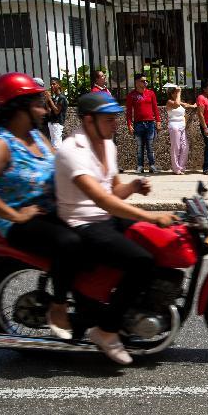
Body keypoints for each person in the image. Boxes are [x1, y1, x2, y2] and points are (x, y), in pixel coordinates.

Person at [56, 91, 178, 364]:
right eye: (109, 119)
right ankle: (106, 330)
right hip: (82, 224)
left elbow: (113, 191)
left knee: (158, 241)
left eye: (115, 119)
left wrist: (133, 187)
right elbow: (102, 200)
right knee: (141, 261)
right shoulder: (71, 150)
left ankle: (136, 306)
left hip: (105, 217)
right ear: (89, 120)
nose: (116, 124)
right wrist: (151, 217)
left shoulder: (107, 144)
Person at [0, 72, 81, 345]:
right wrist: (15, 215)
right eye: (38, 103)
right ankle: (58, 307)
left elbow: (63, 168)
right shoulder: (2, 144)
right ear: (19, 108)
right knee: (70, 241)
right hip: (22, 221)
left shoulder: (37, 138)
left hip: (48, 212)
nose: (44, 109)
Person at [125, 73, 162, 174]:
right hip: (138, 124)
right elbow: (128, 112)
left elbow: (155, 108)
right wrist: (129, 124)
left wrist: (158, 121)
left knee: (150, 146)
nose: (145, 82)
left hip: (150, 123)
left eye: (146, 81)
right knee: (139, 146)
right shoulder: (131, 95)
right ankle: (140, 166)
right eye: (142, 81)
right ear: (136, 82)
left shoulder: (151, 93)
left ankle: (152, 165)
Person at [165, 86, 196, 175]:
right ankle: (176, 168)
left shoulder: (179, 101)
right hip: (174, 126)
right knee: (176, 147)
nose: (177, 94)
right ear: (171, 94)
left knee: (185, 146)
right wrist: (178, 93)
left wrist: (193, 106)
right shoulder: (169, 102)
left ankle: (181, 167)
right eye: (175, 92)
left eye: (177, 92)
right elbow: (177, 104)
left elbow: (185, 105)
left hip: (182, 126)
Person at [46, 77, 67, 149]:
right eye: (51, 84)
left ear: (58, 85)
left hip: (57, 124)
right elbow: (49, 111)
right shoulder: (54, 97)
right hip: (52, 123)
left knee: (57, 146)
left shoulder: (62, 97)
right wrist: (47, 101)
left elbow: (57, 111)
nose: (52, 86)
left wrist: (49, 99)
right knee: (53, 144)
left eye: (54, 84)